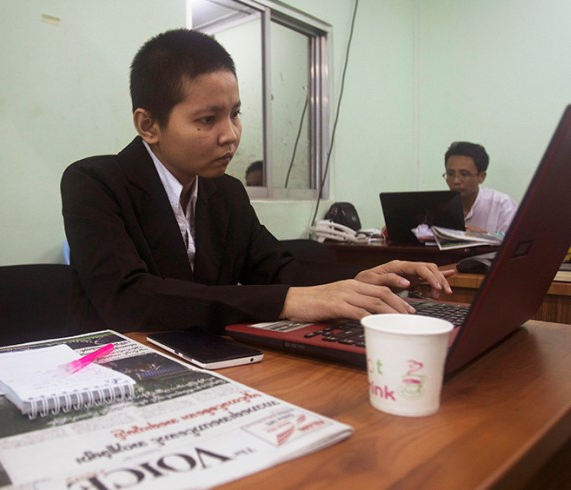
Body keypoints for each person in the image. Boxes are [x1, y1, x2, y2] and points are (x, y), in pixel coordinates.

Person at [61, 29, 453, 334]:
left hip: (207, 360)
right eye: (207, 119)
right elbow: (131, 300)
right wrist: (287, 302)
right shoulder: (94, 182)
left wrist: (361, 279)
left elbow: (277, 268)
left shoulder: (224, 191)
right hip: (113, 373)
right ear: (149, 125)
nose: (230, 134)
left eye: (235, 113)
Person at [443, 141, 517, 234]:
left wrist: (485, 237)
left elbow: (512, 243)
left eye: (464, 174)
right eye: (450, 174)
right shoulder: (438, 206)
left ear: (481, 177)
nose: (456, 181)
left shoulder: (502, 205)